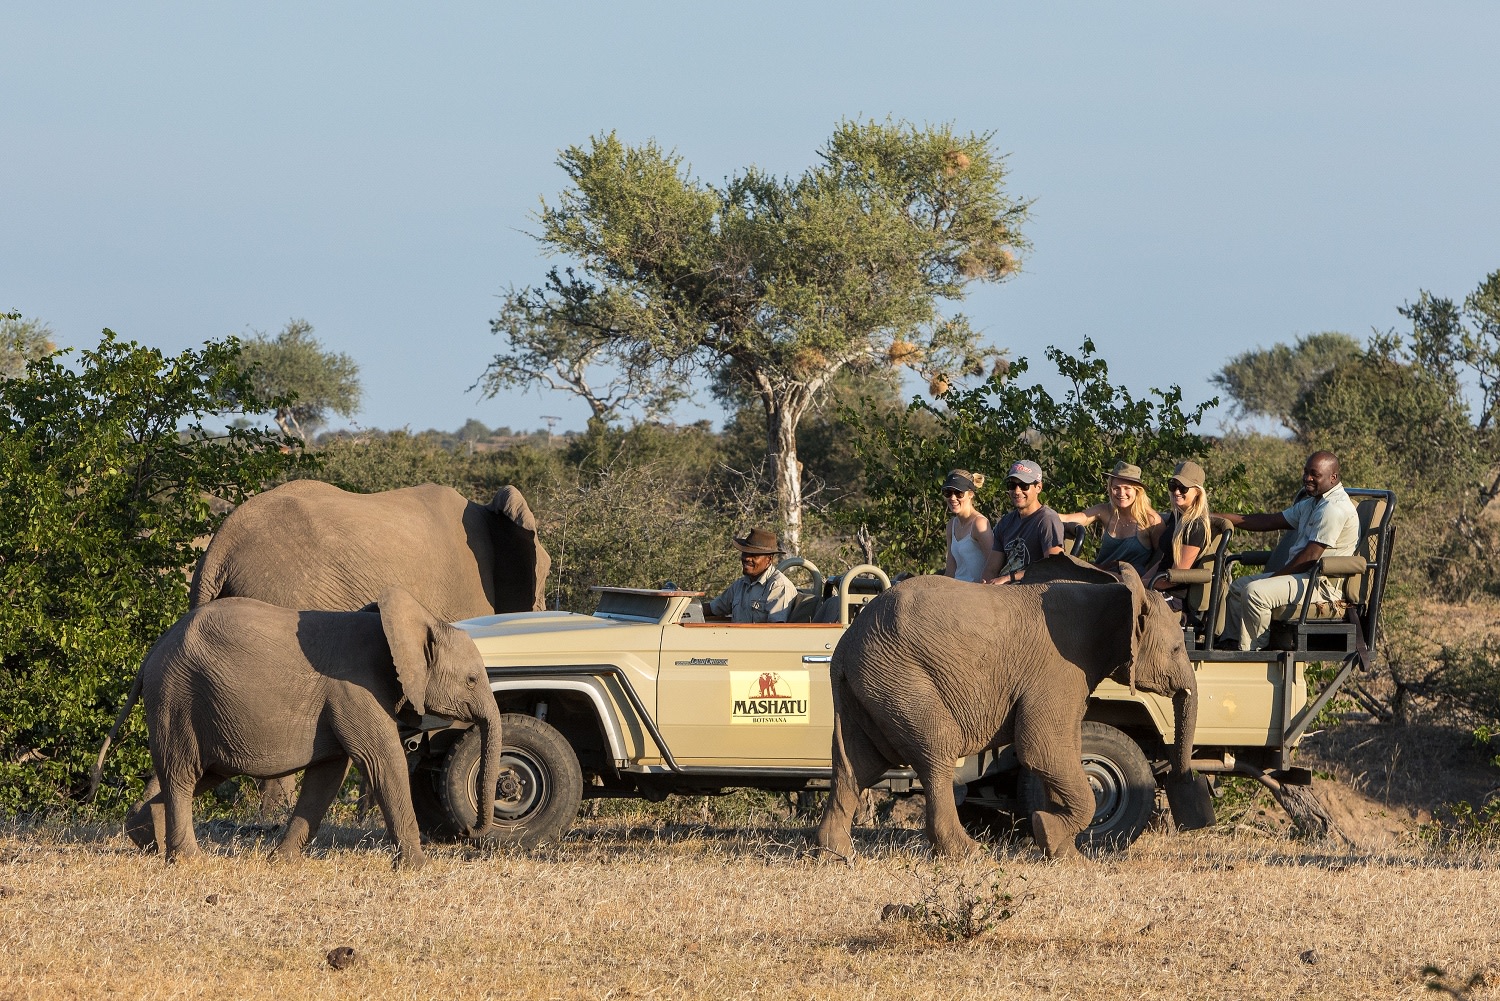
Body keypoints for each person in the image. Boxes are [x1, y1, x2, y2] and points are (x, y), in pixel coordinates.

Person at [1214, 451, 1359, 650]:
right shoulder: (1313, 503)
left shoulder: (1334, 508)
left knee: (1256, 592)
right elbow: (1270, 520)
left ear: (1333, 478)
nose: (1307, 478)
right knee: (1239, 587)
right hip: (1302, 577)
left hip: (1321, 585)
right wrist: (1215, 517)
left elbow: (1310, 556)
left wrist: (1272, 579)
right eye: (1306, 472)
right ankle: (1230, 644)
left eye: (1314, 474)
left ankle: (1253, 652)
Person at [1059, 460, 1161, 574]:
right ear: (1110, 489)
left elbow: (1161, 558)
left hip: (1130, 583)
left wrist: (1145, 580)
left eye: (1127, 488)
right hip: (1099, 577)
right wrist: (1041, 512)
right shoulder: (1105, 511)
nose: (1121, 493)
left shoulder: (1151, 520)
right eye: (1116, 488)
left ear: (1137, 491)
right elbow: (1071, 518)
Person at [983, 460, 1065, 583]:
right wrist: (983, 587)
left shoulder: (1047, 520)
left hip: (1028, 592)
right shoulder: (1005, 522)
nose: (1017, 491)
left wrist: (1008, 578)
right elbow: (991, 569)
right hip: (1000, 591)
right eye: (1012, 485)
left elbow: (1053, 567)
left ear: (1038, 487)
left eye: (1024, 485)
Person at [1144, 460, 1213, 593]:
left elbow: (1176, 578)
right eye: (1173, 486)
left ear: (1198, 492)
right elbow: (1164, 561)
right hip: (1156, 585)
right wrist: (1140, 580)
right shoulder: (1176, 516)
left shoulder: (1196, 526)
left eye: (1183, 488)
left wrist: (1142, 584)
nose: (1176, 492)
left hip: (1171, 596)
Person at [706, 527, 797, 623]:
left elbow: (775, 631)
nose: (747, 558)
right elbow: (714, 608)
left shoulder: (778, 586)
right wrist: (690, 608)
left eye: (754, 555)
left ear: (769, 559)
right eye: (745, 553)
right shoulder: (740, 584)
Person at [941, 469, 991, 583]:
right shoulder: (951, 525)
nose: (953, 498)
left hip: (976, 593)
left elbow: (993, 566)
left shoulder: (979, 524)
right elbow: (950, 571)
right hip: (957, 591)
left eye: (959, 493)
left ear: (971, 494)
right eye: (948, 493)